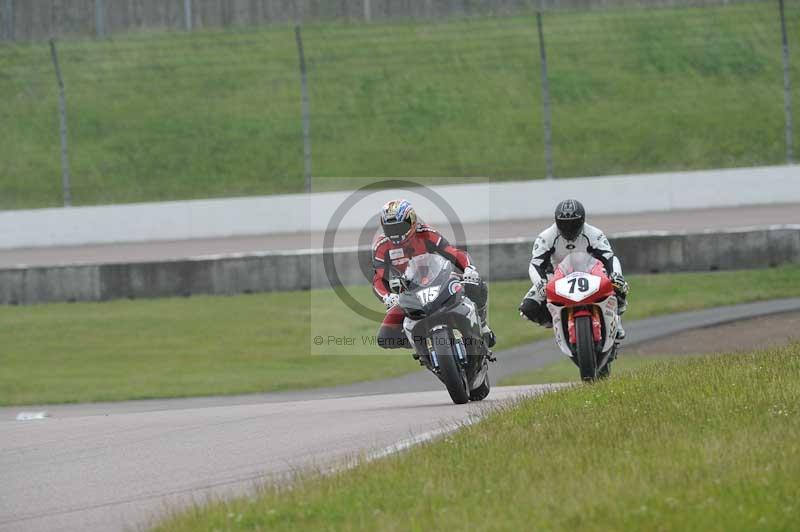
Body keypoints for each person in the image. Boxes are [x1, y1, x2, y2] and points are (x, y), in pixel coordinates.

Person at [372, 199, 496, 352]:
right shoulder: (382, 245)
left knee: (477, 285)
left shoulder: (426, 233)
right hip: (409, 294)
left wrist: (469, 269)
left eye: (400, 227)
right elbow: (378, 278)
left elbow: (453, 253)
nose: (396, 233)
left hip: (440, 281)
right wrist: (387, 297)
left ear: (412, 222)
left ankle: (482, 326)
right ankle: (423, 347)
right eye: (391, 229)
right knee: (385, 338)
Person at [518, 199, 629, 339]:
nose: (569, 228)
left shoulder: (594, 234)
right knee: (527, 309)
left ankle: (616, 319)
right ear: (556, 221)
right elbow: (535, 265)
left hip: (592, 273)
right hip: (558, 276)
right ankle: (559, 323)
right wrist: (541, 283)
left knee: (618, 284)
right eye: (564, 224)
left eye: (573, 223)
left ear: (582, 221)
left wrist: (615, 275)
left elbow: (610, 258)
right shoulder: (546, 237)